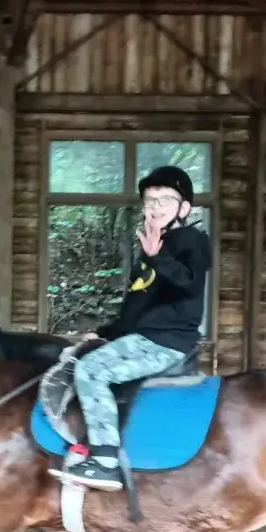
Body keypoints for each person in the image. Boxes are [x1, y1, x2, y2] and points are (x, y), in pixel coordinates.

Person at [48, 166, 212, 492]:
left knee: (91, 371)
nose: (156, 205)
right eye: (150, 200)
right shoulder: (152, 246)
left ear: (184, 208)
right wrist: (107, 332)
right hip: (142, 337)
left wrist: (158, 256)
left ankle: (106, 461)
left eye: (166, 199)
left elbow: (189, 284)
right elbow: (137, 306)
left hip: (167, 341)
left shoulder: (193, 240)